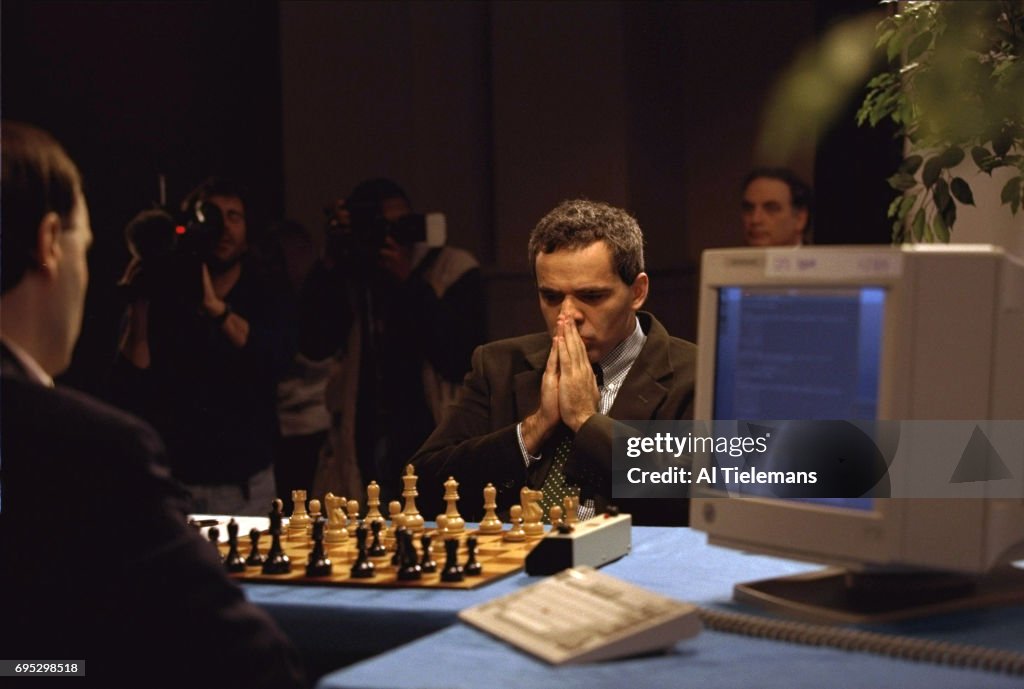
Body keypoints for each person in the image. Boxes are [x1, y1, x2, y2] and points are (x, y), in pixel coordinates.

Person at [0, 121, 305, 687]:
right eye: (84, 247)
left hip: (245, 481)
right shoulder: (93, 447)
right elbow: (255, 661)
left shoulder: (266, 291)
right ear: (48, 243)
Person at [411, 199, 696, 525]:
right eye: (551, 297)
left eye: (591, 296)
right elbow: (421, 488)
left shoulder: (696, 373)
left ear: (637, 292)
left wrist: (587, 422)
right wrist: (534, 428)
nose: (567, 315)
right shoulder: (498, 365)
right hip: (513, 560)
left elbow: (707, 496)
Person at [113, 177, 294, 515]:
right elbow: (129, 381)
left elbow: (276, 359)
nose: (223, 227)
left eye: (233, 216)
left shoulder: (264, 290)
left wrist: (216, 309)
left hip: (245, 483)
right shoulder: (168, 287)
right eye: (212, 215)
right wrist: (139, 301)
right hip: (178, 480)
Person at [318, 178, 485, 505]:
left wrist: (408, 280)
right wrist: (331, 260)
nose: (391, 237)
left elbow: (459, 357)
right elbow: (315, 342)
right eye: (380, 227)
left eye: (401, 225)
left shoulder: (451, 268)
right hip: (364, 436)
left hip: (430, 433)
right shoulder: (353, 275)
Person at [740, 166, 813, 246]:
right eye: (749, 209)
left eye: (771, 209)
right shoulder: (727, 258)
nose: (755, 219)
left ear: (800, 219)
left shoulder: (825, 258)